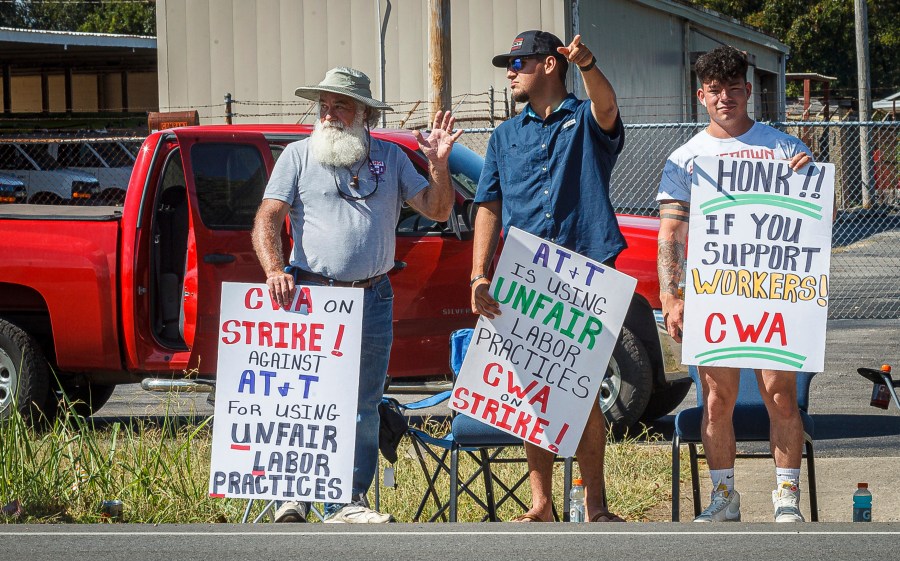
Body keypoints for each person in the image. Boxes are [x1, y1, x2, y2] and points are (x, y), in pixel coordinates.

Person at [252, 67, 462, 523]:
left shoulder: (390, 157)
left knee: (364, 402)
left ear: (363, 112)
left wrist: (440, 165)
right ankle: (293, 496)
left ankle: (347, 501)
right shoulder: (297, 156)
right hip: (310, 295)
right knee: (302, 399)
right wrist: (273, 269)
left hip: (372, 297)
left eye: (340, 106)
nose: (329, 115)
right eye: (324, 106)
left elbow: (440, 210)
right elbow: (268, 218)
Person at [470, 30, 626, 523]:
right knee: (529, 392)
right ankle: (541, 504)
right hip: (523, 275)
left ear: (550, 65)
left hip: (584, 269)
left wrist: (588, 63)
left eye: (519, 62)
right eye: (508, 64)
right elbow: (488, 206)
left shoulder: (583, 120)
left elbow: (607, 107)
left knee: (579, 389)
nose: (510, 72)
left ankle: (596, 506)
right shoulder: (503, 136)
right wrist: (478, 274)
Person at [656, 45, 814, 523]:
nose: (725, 96)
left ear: (748, 90)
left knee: (780, 393)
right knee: (717, 398)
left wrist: (809, 182)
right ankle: (724, 497)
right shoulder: (686, 158)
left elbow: (813, 219)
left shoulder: (785, 148)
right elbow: (671, 231)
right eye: (714, 89)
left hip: (772, 292)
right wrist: (671, 293)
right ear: (700, 95)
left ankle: (786, 495)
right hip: (714, 293)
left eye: (734, 88)